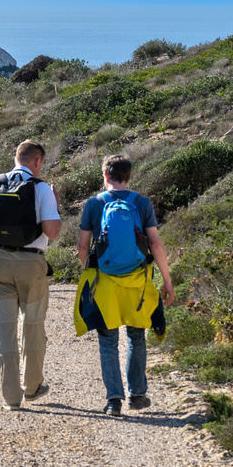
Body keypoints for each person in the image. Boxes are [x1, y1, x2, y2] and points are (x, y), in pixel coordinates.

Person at [75, 154, 175, 418]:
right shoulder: (141, 203)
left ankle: (114, 401)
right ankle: (138, 394)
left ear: (105, 176)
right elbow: (155, 243)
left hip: (106, 281)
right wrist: (166, 279)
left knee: (108, 340)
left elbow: (83, 247)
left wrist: (91, 275)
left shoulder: (94, 204)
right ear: (129, 177)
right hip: (137, 279)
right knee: (136, 335)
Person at [0, 139, 62, 410]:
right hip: (31, 264)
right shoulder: (41, 188)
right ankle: (32, 388)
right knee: (32, 325)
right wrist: (54, 205)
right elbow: (52, 232)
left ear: (16, 158)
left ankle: (11, 398)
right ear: (37, 162)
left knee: (3, 328)